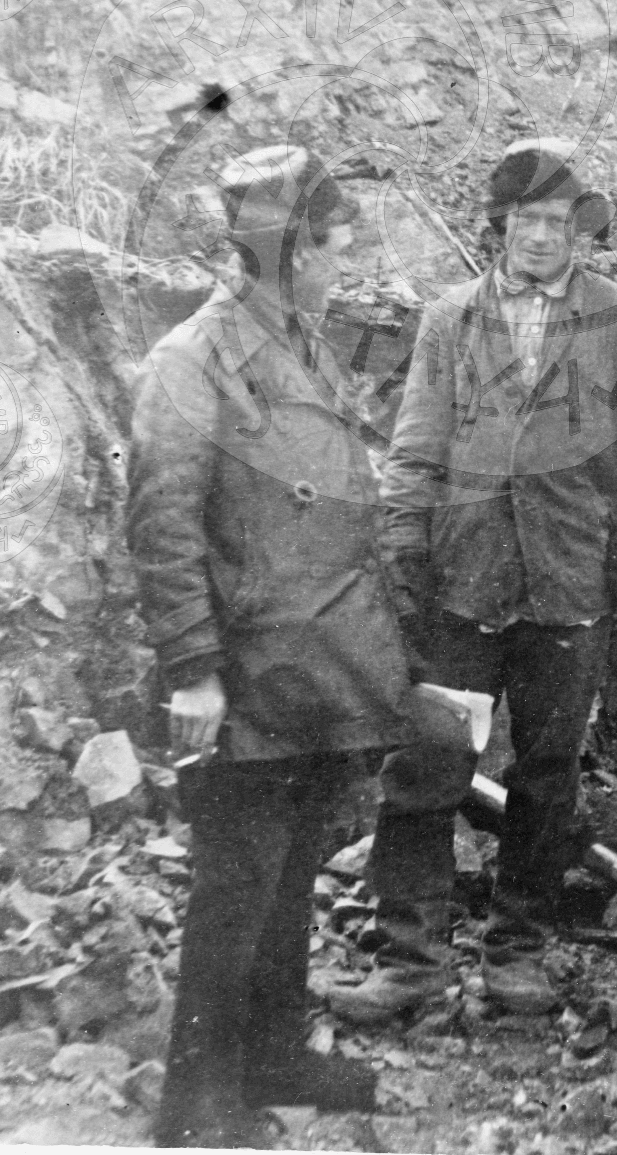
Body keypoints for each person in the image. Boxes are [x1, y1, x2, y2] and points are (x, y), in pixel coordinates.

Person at [325, 139, 617, 1022]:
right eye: (525, 220)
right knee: (429, 763)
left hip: (571, 587)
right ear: (501, 226)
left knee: (548, 771)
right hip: (466, 583)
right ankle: (409, 958)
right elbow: (416, 445)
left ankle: (517, 951)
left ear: (579, 232)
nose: (540, 237)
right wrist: (407, 546)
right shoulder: (452, 317)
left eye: (556, 222)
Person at [126, 145, 409, 1146]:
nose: (341, 265)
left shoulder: (298, 342)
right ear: (286, 250)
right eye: (329, 246)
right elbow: (163, 523)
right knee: (236, 881)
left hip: (313, 660)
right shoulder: (190, 361)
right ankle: (196, 1101)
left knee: (287, 871)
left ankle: (273, 1049)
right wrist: (194, 669)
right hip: (244, 663)